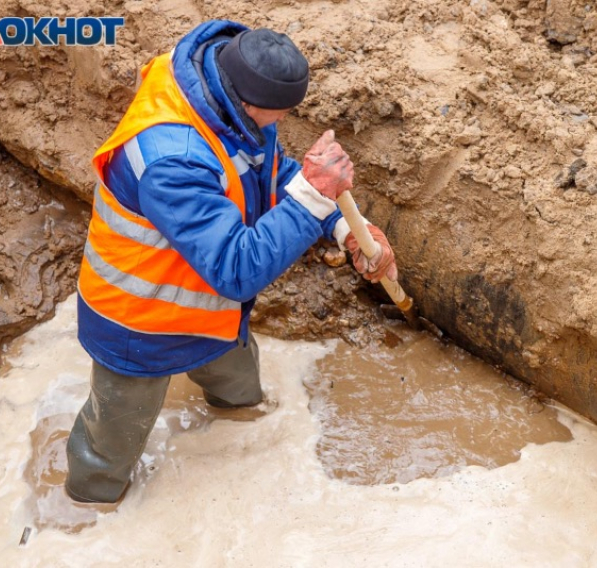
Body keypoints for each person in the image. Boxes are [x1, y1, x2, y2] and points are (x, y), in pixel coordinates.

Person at [65, 20, 397, 503]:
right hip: (138, 325)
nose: (277, 123)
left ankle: (236, 420)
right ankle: (86, 515)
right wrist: (311, 197)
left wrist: (348, 228)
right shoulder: (172, 158)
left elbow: (271, 171)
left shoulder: (225, 93)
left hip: (211, 315)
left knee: (241, 396)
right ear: (247, 102)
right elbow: (236, 270)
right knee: (107, 451)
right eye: (276, 114)